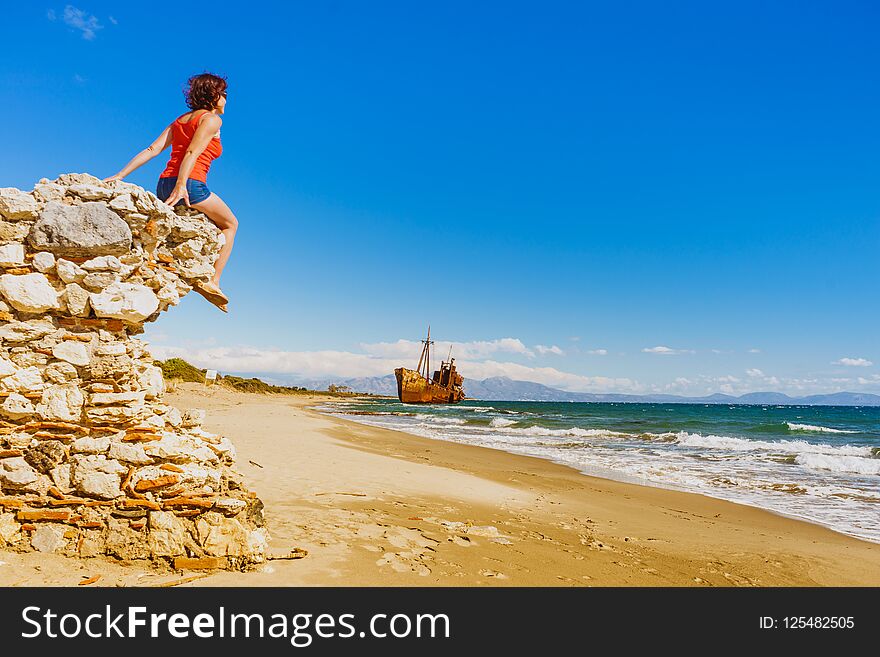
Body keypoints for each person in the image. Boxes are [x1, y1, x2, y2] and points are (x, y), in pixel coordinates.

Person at [104, 72, 237, 311]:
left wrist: (120, 175)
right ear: (214, 95)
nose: (226, 99)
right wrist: (182, 185)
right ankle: (214, 281)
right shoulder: (212, 120)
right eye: (224, 94)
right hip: (190, 184)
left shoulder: (180, 121)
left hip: (163, 183)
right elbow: (191, 153)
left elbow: (152, 149)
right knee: (230, 224)